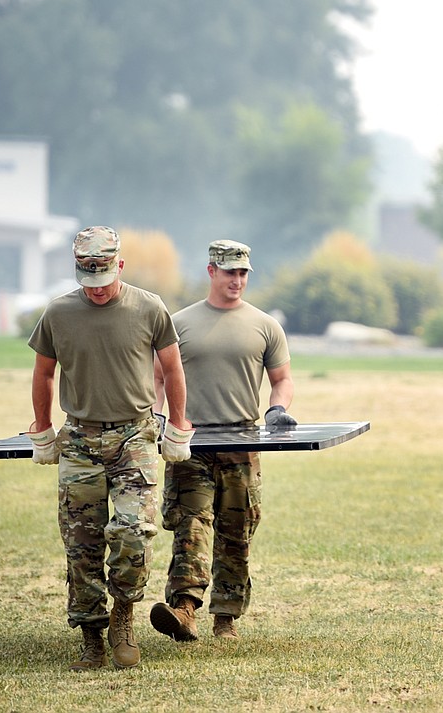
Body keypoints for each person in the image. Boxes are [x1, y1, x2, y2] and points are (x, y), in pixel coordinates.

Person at [27, 226, 193, 671]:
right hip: (80, 439)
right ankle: (91, 636)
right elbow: (43, 374)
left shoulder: (149, 308)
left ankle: (123, 616)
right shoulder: (58, 314)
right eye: (89, 282)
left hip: (134, 437)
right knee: (81, 543)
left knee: (133, 531)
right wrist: (43, 431)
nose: (97, 291)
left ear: (120, 265)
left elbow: (173, 370)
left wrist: (177, 426)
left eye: (104, 281)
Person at [151, 239, 295, 641]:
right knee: (191, 525)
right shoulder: (178, 323)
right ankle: (184, 610)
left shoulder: (265, 326)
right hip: (189, 445)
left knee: (235, 532)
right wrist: (159, 417)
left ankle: (226, 616)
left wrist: (277, 410)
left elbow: (281, 380)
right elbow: (158, 378)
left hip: (243, 446)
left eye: (243, 272)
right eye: (229, 271)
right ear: (211, 271)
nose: (237, 279)